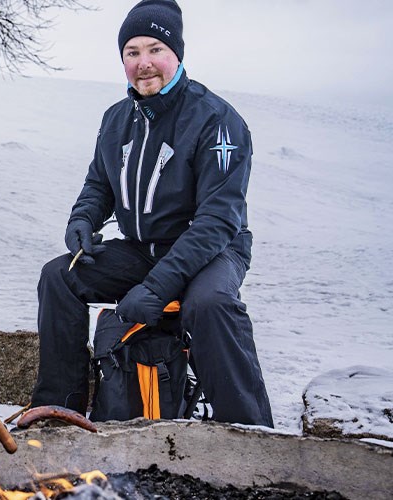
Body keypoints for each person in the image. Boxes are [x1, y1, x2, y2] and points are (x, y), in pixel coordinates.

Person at [30, 0, 273, 427]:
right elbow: (99, 185)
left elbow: (218, 221)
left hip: (212, 252)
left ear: (176, 54)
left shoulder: (217, 120)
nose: (143, 63)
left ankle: (249, 429)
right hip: (143, 249)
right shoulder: (116, 119)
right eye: (132, 52)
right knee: (58, 276)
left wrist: (158, 289)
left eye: (155, 49)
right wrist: (82, 220)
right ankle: (61, 410)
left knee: (210, 304)